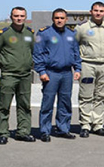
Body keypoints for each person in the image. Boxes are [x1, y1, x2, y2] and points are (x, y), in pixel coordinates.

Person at [33, 8, 81, 142]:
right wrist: (41, 71)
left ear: (66, 19)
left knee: (65, 103)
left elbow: (76, 52)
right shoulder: (44, 33)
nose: (59, 20)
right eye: (57, 18)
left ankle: (63, 129)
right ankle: (44, 131)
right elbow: (38, 54)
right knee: (47, 103)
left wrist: (77, 69)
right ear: (53, 19)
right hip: (51, 73)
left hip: (67, 73)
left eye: (62, 18)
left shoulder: (72, 34)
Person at [0, 6, 36, 144]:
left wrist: (30, 64)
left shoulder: (29, 34)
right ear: (11, 16)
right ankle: (3, 133)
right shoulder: (3, 34)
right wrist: (5, 65)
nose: (19, 18)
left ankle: (23, 132)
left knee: (24, 105)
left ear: (25, 17)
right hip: (9, 74)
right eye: (16, 16)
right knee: (4, 105)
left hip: (25, 75)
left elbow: (33, 51)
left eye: (22, 16)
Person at [75, 1, 104, 138]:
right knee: (86, 95)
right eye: (95, 10)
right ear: (91, 12)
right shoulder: (82, 28)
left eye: (101, 11)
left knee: (101, 95)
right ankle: (85, 125)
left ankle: (98, 124)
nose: (98, 13)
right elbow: (74, 44)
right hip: (87, 65)